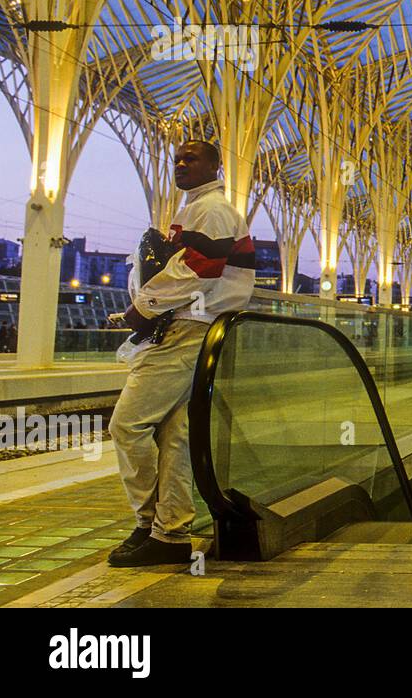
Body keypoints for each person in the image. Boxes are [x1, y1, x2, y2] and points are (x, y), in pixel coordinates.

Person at [108, 140, 255, 567]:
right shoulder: (195, 209)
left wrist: (142, 307)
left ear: (216, 165)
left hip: (190, 330)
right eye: (177, 158)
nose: (181, 164)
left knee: (126, 426)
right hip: (191, 328)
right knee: (174, 436)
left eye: (192, 158)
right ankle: (170, 533)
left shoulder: (212, 210)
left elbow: (200, 269)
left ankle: (148, 520)